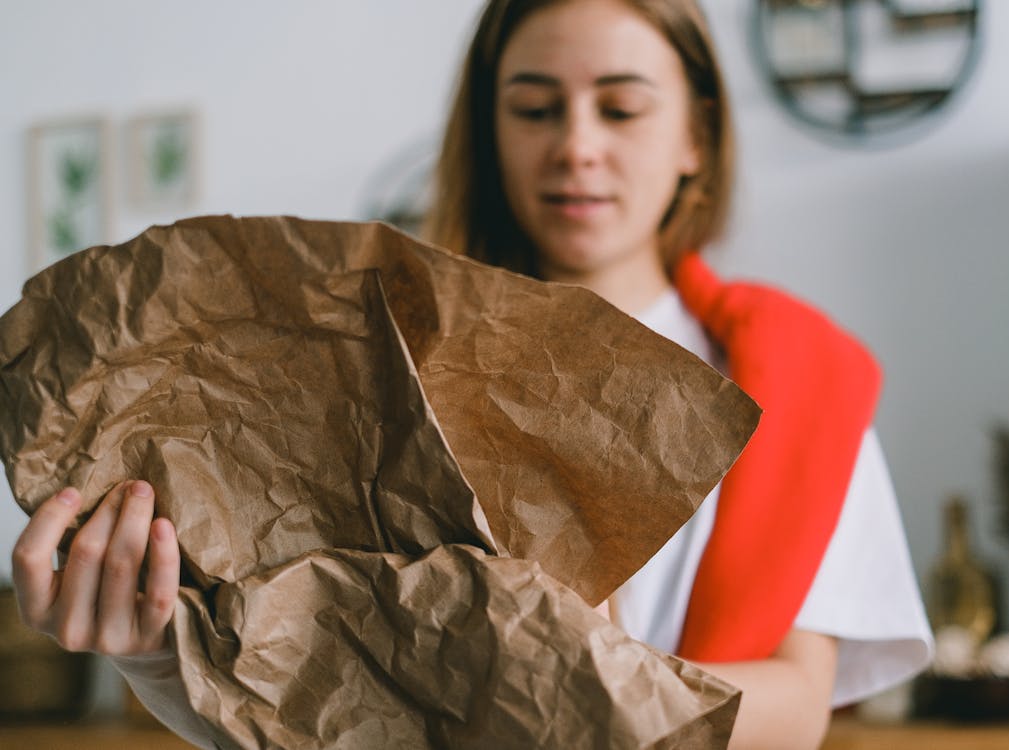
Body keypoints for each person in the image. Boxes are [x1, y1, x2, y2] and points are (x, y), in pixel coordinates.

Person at [10, 1, 932, 748]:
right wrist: (156, 659)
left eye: (621, 107)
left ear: (696, 135)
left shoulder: (801, 387)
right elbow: (297, 696)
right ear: (488, 134)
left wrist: (566, 678)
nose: (575, 145)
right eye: (533, 107)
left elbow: (799, 703)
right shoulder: (371, 377)